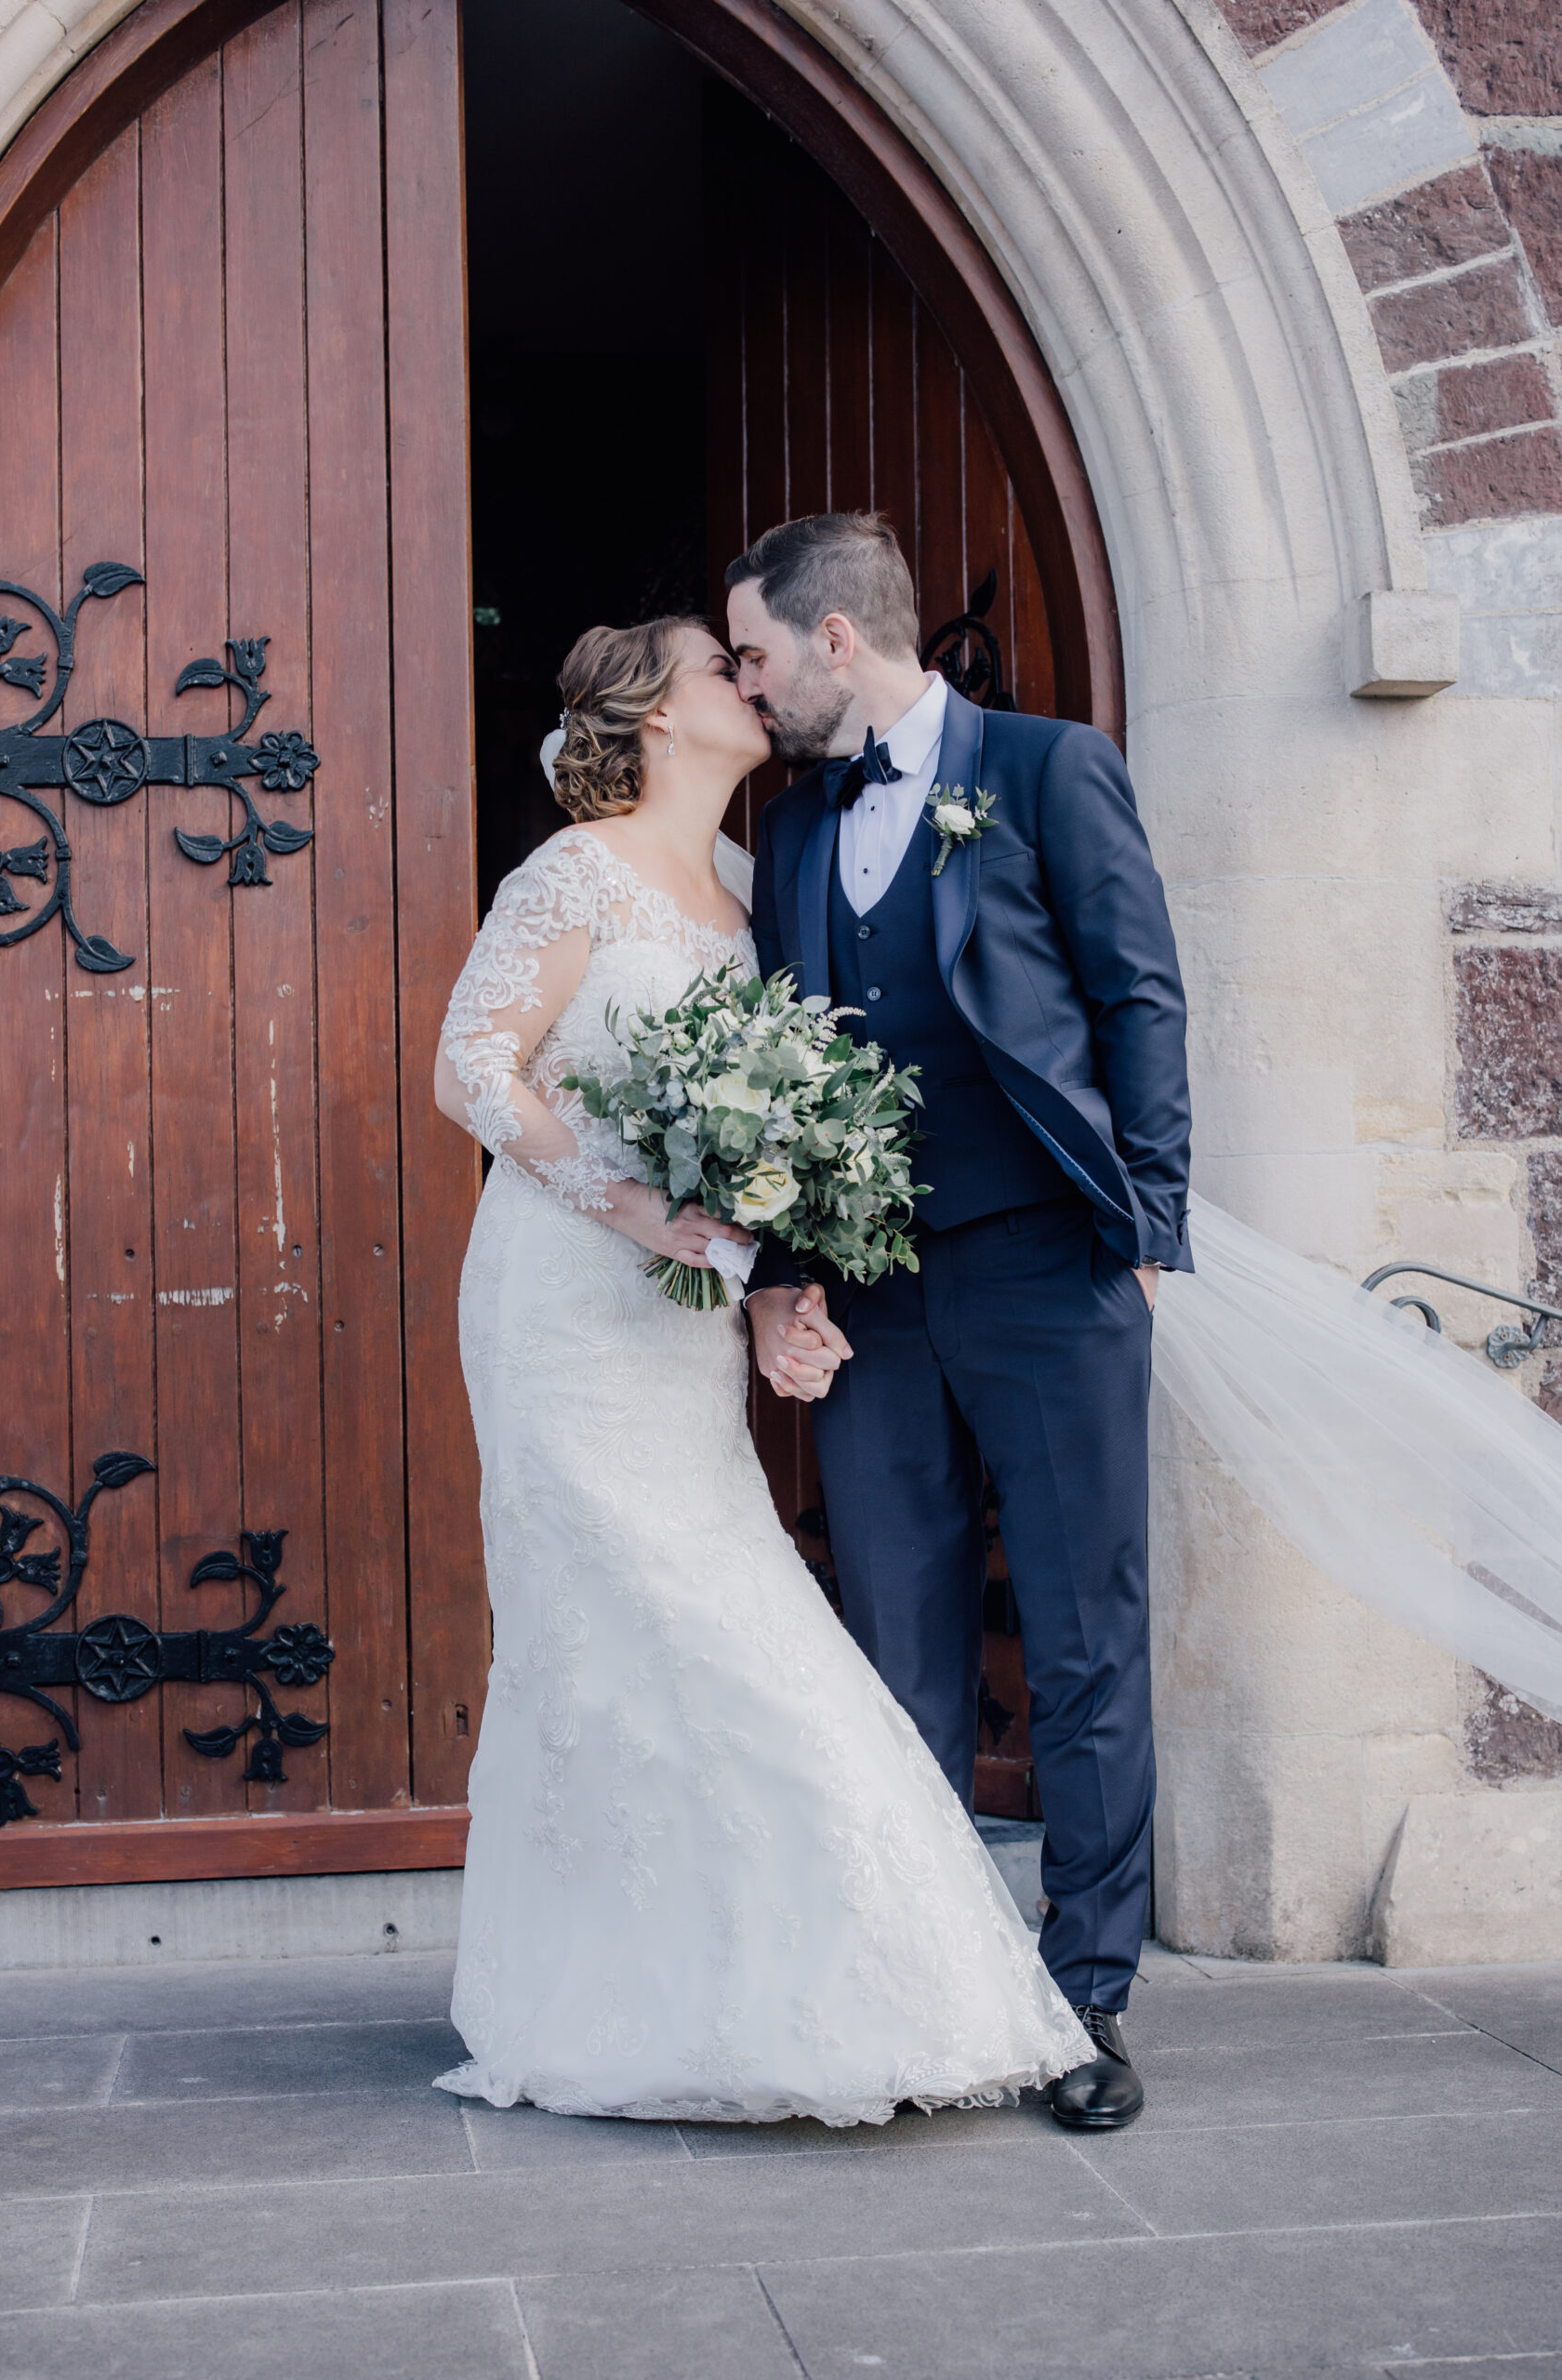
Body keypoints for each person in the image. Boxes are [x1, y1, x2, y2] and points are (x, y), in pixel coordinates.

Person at [430, 614, 1091, 2128]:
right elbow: (472, 1067)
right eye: (716, 665)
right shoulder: (572, 871)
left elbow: (753, 1145)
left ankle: (773, 1972)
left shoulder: (742, 887)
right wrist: (638, 1204)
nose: (751, 678)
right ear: (657, 717)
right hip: (558, 1309)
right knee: (628, 1626)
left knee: (695, 1607)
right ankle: (638, 1989)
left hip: (677, 1321)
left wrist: (760, 1292)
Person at [729, 513, 1193, 2130]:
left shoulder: (1052, 768)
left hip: (1046, 1266)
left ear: (836, 639)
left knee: (1079, 1641)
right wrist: (783, 1266)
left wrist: (1149, 1219)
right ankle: (933, 1995)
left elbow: (1139, 991)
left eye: (760, 653)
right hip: (869, 1296)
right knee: (899, 1643)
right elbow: (780, 1049)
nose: (749, 682)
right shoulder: (790, 832)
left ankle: (1088, 2001)